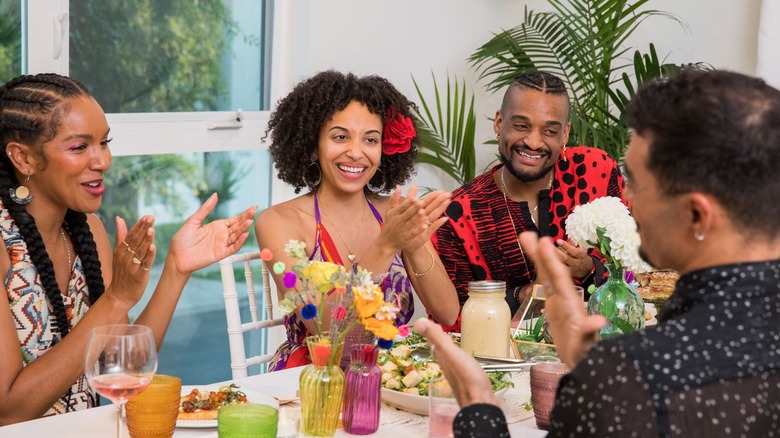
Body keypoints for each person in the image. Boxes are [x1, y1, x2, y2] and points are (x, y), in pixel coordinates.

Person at [419, 69, 780, 437]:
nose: (627, 201)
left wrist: (480, 407)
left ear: (696, 214)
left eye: (636, 184)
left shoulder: (628, 378)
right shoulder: (627, 374)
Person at [0, 73, 257, 425]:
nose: (102, 160)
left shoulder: (85, 230)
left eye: (104, 142)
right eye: (79, 147)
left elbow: (123, 367)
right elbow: (9, 411)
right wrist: (115, 299)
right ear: (23, 159)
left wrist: (177, 270)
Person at [255, 70, 458, 371]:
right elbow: (327, 331)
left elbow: (448, 313)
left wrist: (414, 246)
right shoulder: (278, 222)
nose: (356, 152)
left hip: (388, 375)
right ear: (313, 144)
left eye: (370, 140)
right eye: (340, 137)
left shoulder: (395, 214)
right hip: (312, 380)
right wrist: (387, 244)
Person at [433, 71, 626, 329]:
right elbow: (453, 322)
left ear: (565, 134)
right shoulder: (457, 213)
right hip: (499, 365)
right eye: (521, 125)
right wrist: (528, 293)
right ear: (499, 123)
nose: (533, 142)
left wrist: (588, 268)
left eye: (549, 130)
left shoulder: (594, 172)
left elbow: (638, 272)